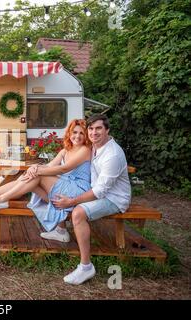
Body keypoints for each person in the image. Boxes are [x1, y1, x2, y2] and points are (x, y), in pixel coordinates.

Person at [0, 119, 92, 241]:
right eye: (74, 132)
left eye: (81, 133)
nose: (77, 136)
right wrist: (35, 167)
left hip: (78, 191)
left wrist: (37, 171)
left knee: (37, 175)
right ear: (69, 133)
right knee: (30, 179)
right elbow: (49, 166)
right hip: (65, 188)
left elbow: (63, 169)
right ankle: (61, 231)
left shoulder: (85, 150)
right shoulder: (65, 151)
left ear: (85, 136)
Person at [52, 114, 131, 285]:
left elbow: (100, 191)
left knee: (78, 213)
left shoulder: (113, 155)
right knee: (58, 191)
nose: (94, 132)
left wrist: (73, 201)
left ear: (107, 130)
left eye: (99, 128)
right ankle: (59, 229)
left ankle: (86, 266)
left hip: (114, 199)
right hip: (96, 192)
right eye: (91, 128)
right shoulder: (95, 147)